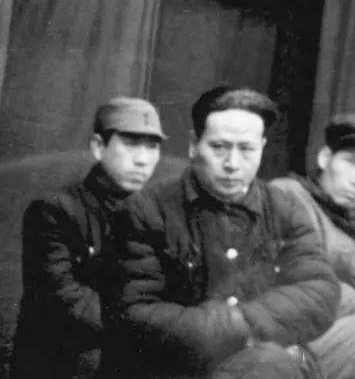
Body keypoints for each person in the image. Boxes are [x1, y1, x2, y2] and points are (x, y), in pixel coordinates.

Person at [97, 86, 339, 379]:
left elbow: (320, 291)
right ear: (193, 144)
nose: (232, 164)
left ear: (262, 147)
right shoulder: (145, 210)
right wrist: (233, 332)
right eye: (219, 147)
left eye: (247, 149)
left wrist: (244, 322)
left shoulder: (284, 208)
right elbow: (135, 312)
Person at [10, 96, 165, 379]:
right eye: (130, 144)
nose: (142, 159)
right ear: (98, 146)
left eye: (152, 146)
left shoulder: (158, 217)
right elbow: (63, 297)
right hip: (63, 365)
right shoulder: (54, 210)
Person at [270, 112, 355, 378]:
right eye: (351, 161)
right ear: (325, 159)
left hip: (325, 338)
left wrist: (334, 292)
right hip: (283, 341)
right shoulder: (287, 195)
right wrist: (351, 296)